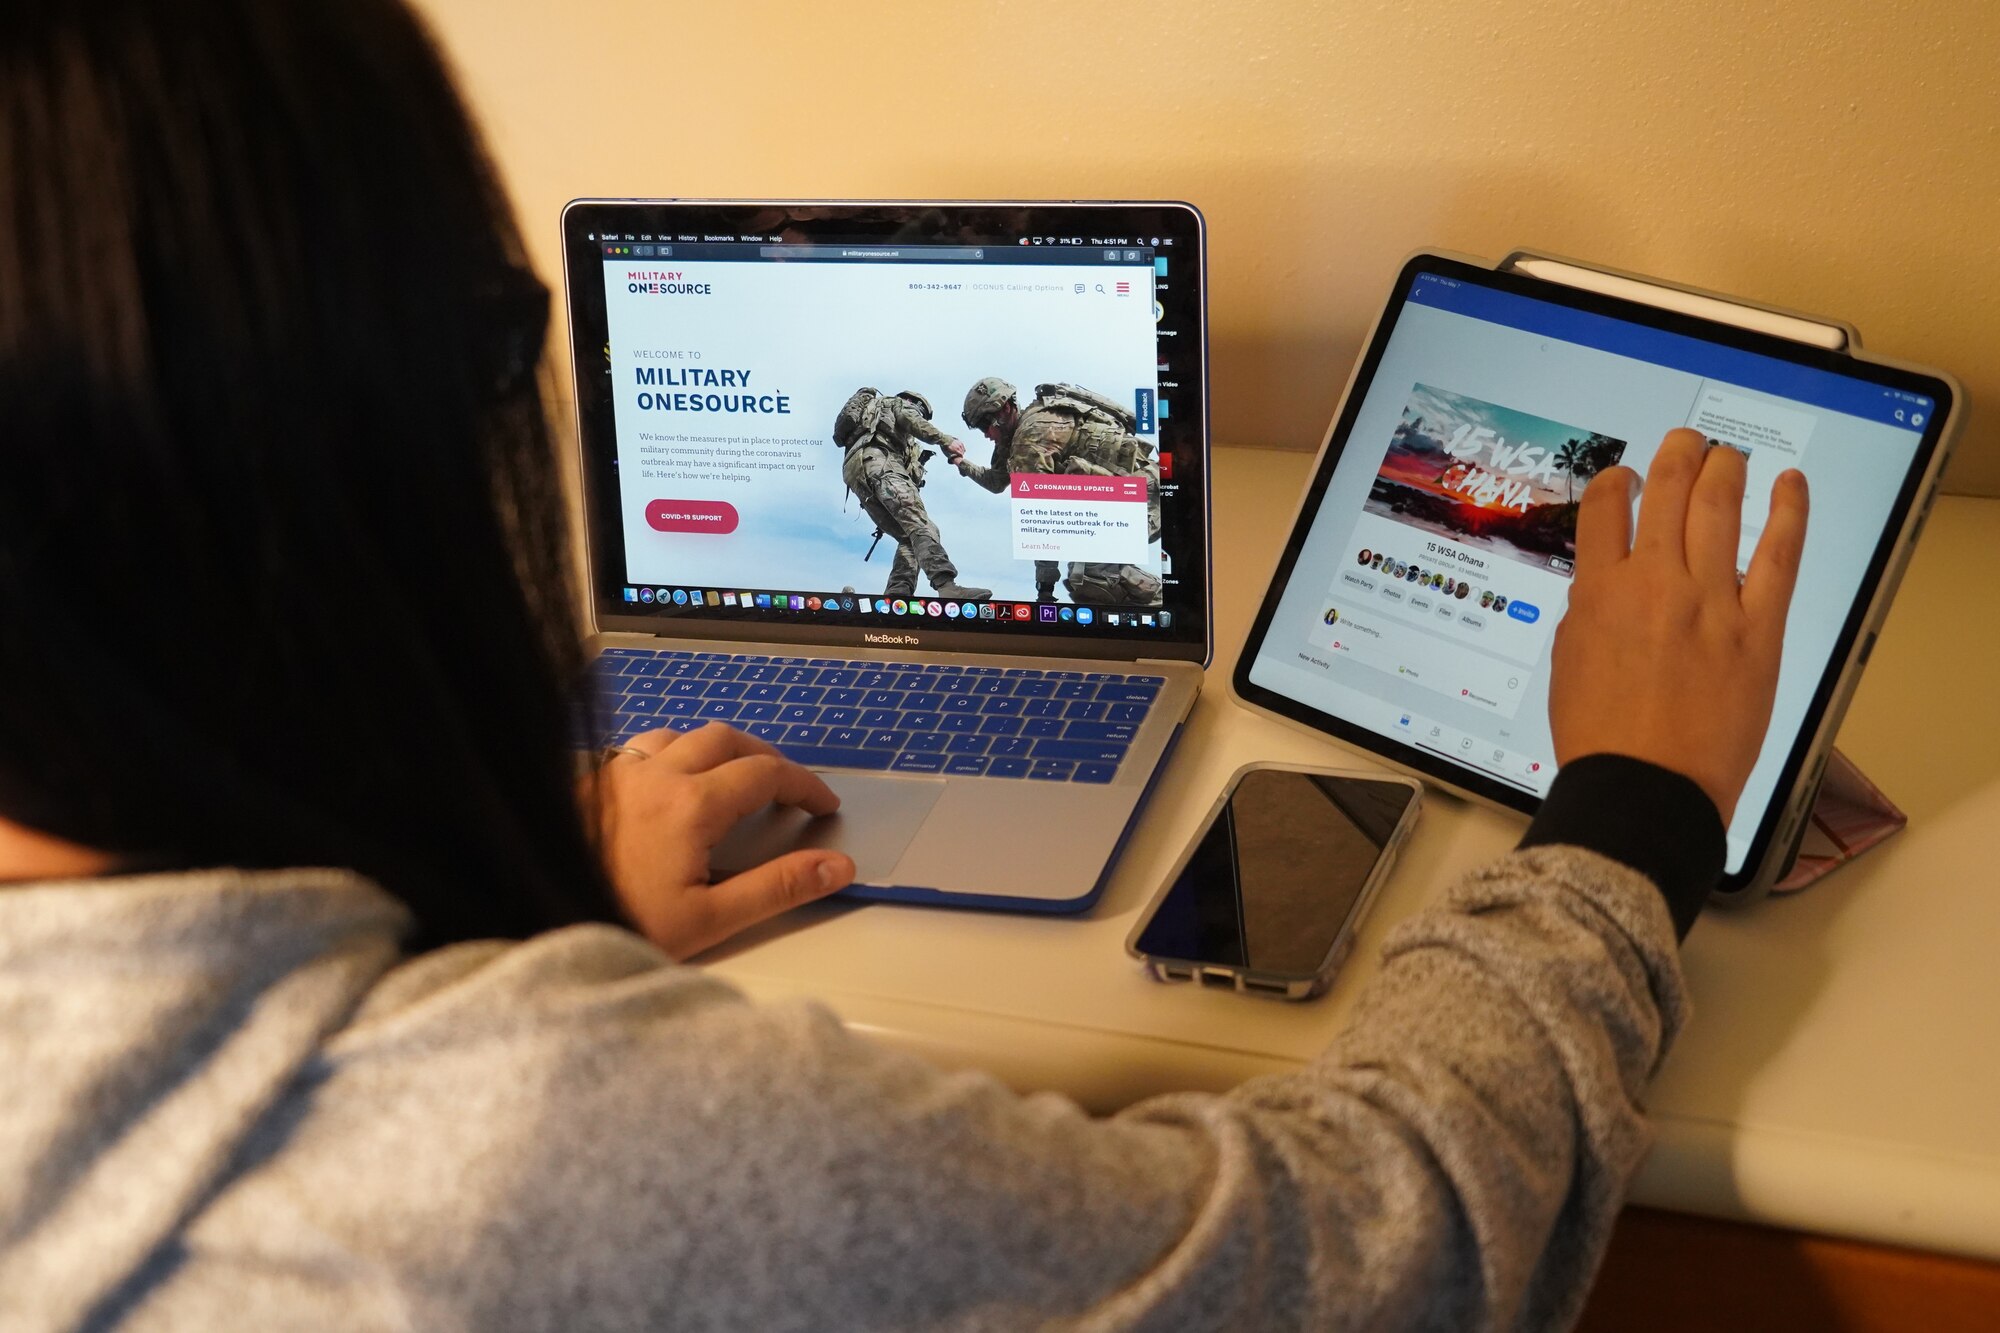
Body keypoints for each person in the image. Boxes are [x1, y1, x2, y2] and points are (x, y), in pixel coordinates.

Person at [0, 3, 1809, 1329]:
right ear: (339, 448)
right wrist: (1631, 808)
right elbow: (1369, 1248)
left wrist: (538, 925)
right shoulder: (551, 1145)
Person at [950, 376, 1165, 604]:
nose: (986, 435)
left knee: (1091, 577)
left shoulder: (1030, 438)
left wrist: (1045, 588)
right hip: (1130, 494)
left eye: (985, 424)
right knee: (1089, 576)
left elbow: (1043, 519)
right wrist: (962, 463)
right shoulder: (1021, 432)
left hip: (1141, 495)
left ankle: (1167, 605)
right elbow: (997, 482)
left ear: (1004, 409)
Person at [836, 387, 990, 602]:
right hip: (881, 463)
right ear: (912, 402)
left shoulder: (876, 421)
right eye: (921, 412)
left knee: (908, 538)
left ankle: (898, 594)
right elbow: (913, 421)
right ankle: (947, 586)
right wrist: (945, 440)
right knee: (923, 526)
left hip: (856, 473)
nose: (920, 415)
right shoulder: (896, 404)